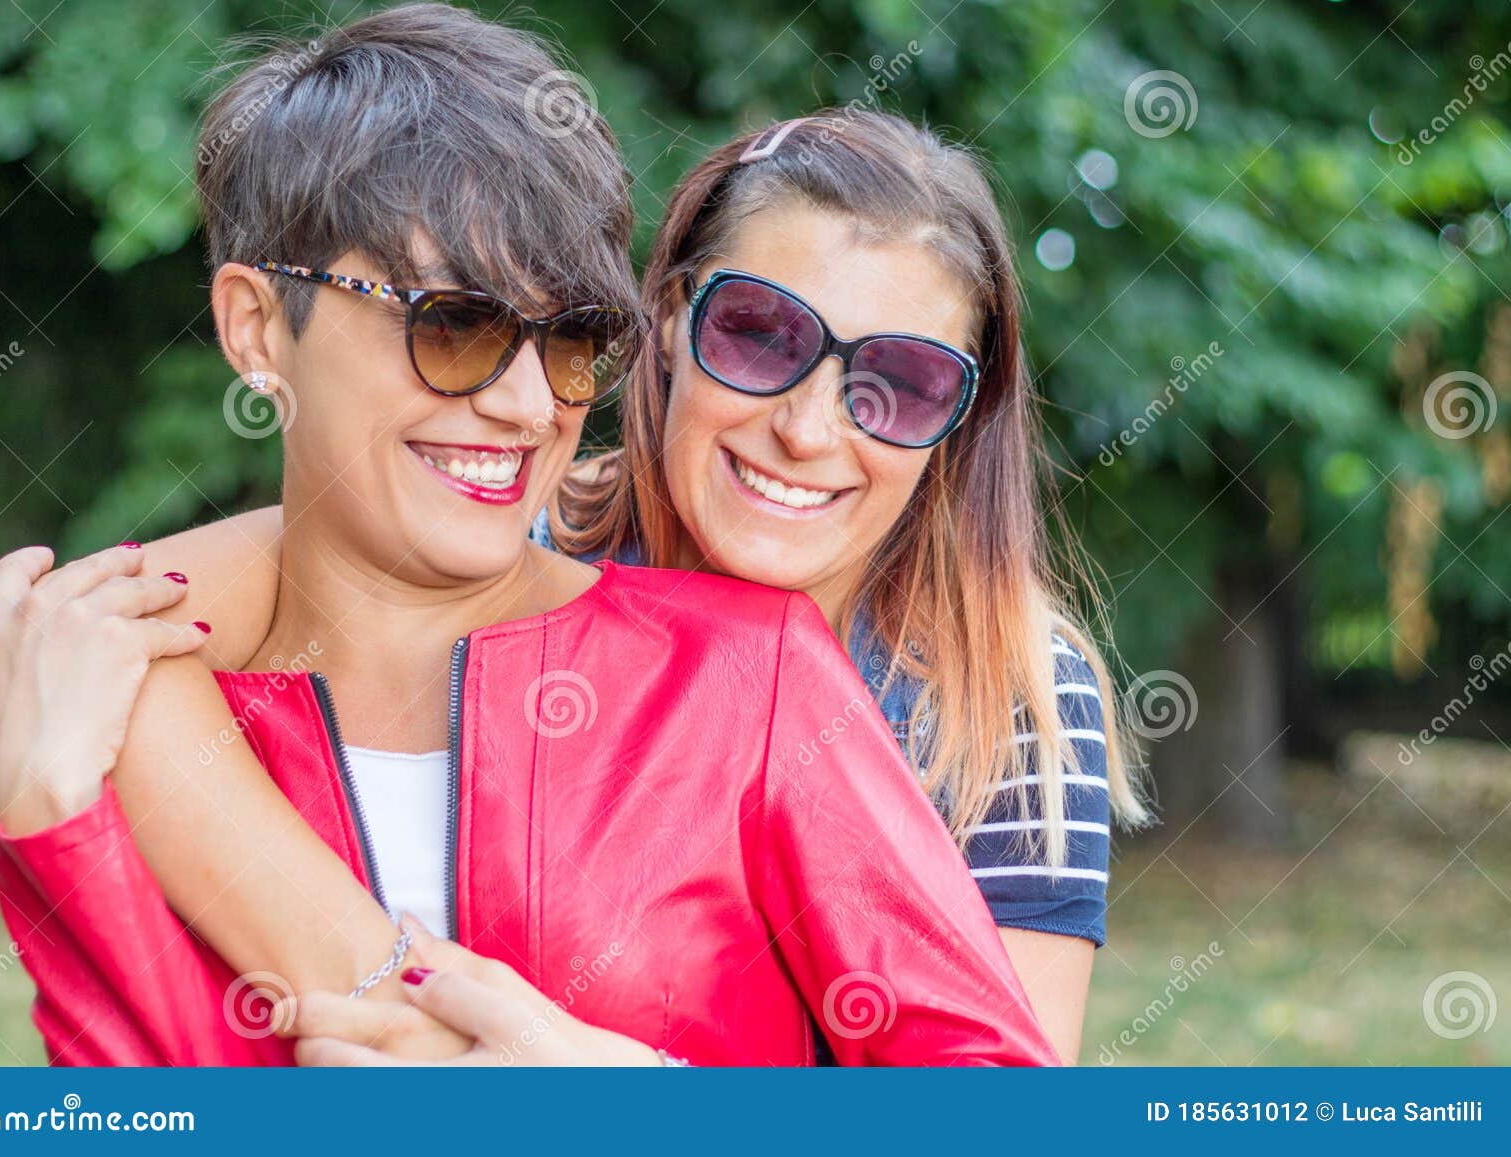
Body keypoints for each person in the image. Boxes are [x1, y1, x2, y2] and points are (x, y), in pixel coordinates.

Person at [0, 3, 1056, 1068]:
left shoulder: (750, 673)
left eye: (568, 341)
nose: (527, 406)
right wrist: (49, 816)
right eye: (454, 325)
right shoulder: (123, 699)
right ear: (258, 327)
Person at [104, 111, 1150, 1062]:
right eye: (759, 334)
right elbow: (164, 608)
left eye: (903, 383)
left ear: (958, 420)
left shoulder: (1005, 689)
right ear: (665, 321)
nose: (809, 427)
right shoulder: (525, 536)